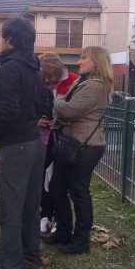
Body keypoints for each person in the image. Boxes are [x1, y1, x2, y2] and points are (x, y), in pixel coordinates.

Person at [0, 17, 49, 269]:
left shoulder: (11, 69)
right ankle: (30, 253)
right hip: (36, 142)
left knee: (11, 205)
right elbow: (43, 105)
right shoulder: (36, 68)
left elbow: (7, 108)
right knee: (30, 203)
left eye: (3, 36)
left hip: (16, 144)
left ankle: (11, 264)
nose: (1, 42)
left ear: (10, 40)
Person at [43, 46, 114, 255]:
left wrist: (55, 99)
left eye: (84, 58)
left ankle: (80, 241)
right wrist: (62, 109)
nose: (79, 61)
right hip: (71, 144)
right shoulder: (81, 81)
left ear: (96, 62)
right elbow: (67, 112)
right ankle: (64, 231)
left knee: (79, 193)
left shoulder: (95, 86)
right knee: (56, 188)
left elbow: (70, 109)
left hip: (85, 148)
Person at [38, 52, 79, 234]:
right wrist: (37, 119)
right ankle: (44, 214)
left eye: (51, 77)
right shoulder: (40, 81)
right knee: (42, 177)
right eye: (45, 78)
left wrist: (60, 122)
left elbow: (76, 111)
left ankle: (60, 219)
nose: (49, 81)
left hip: (66, 139)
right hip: (45, 139)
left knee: (60, 181)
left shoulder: (73, 81)